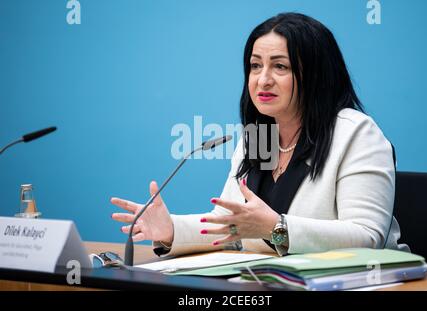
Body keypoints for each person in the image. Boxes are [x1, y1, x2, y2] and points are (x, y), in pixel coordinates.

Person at [111, 12, 408, 257]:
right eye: (255, 66)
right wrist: (171, 229)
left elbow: (368, 238)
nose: (262, 79)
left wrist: (275, 228)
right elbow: (233, 227)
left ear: (316, 74)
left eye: (280, 66)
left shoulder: (356, 133)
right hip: (272, 282)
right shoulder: (259, 136)